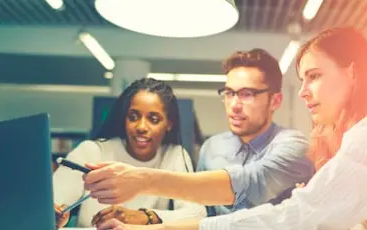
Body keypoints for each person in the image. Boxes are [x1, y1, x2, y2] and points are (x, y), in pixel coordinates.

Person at [87, 27, 367, 230]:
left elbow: (291, 221)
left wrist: (158, 228)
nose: (303, 92)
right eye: (303, 79)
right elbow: (346, 220)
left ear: (352, 72)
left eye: (315, 76)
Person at [83, 48, 314, 216]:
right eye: (229, 93)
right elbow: (201, 215)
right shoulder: (212, 147)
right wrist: (143, 222)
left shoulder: (294, 146)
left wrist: (142, 180)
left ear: (276, 101)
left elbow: (252, 182)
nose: (234, 104)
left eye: (247, 94)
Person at [53, 78, 206, 228]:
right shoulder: (92, 151)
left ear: (168, 124)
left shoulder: (174, 155)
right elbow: (51, 205)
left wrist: (143, 217)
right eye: (133, 117)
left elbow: (197, 213)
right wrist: (55, 216)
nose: (141, 127)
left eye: (153, 119)